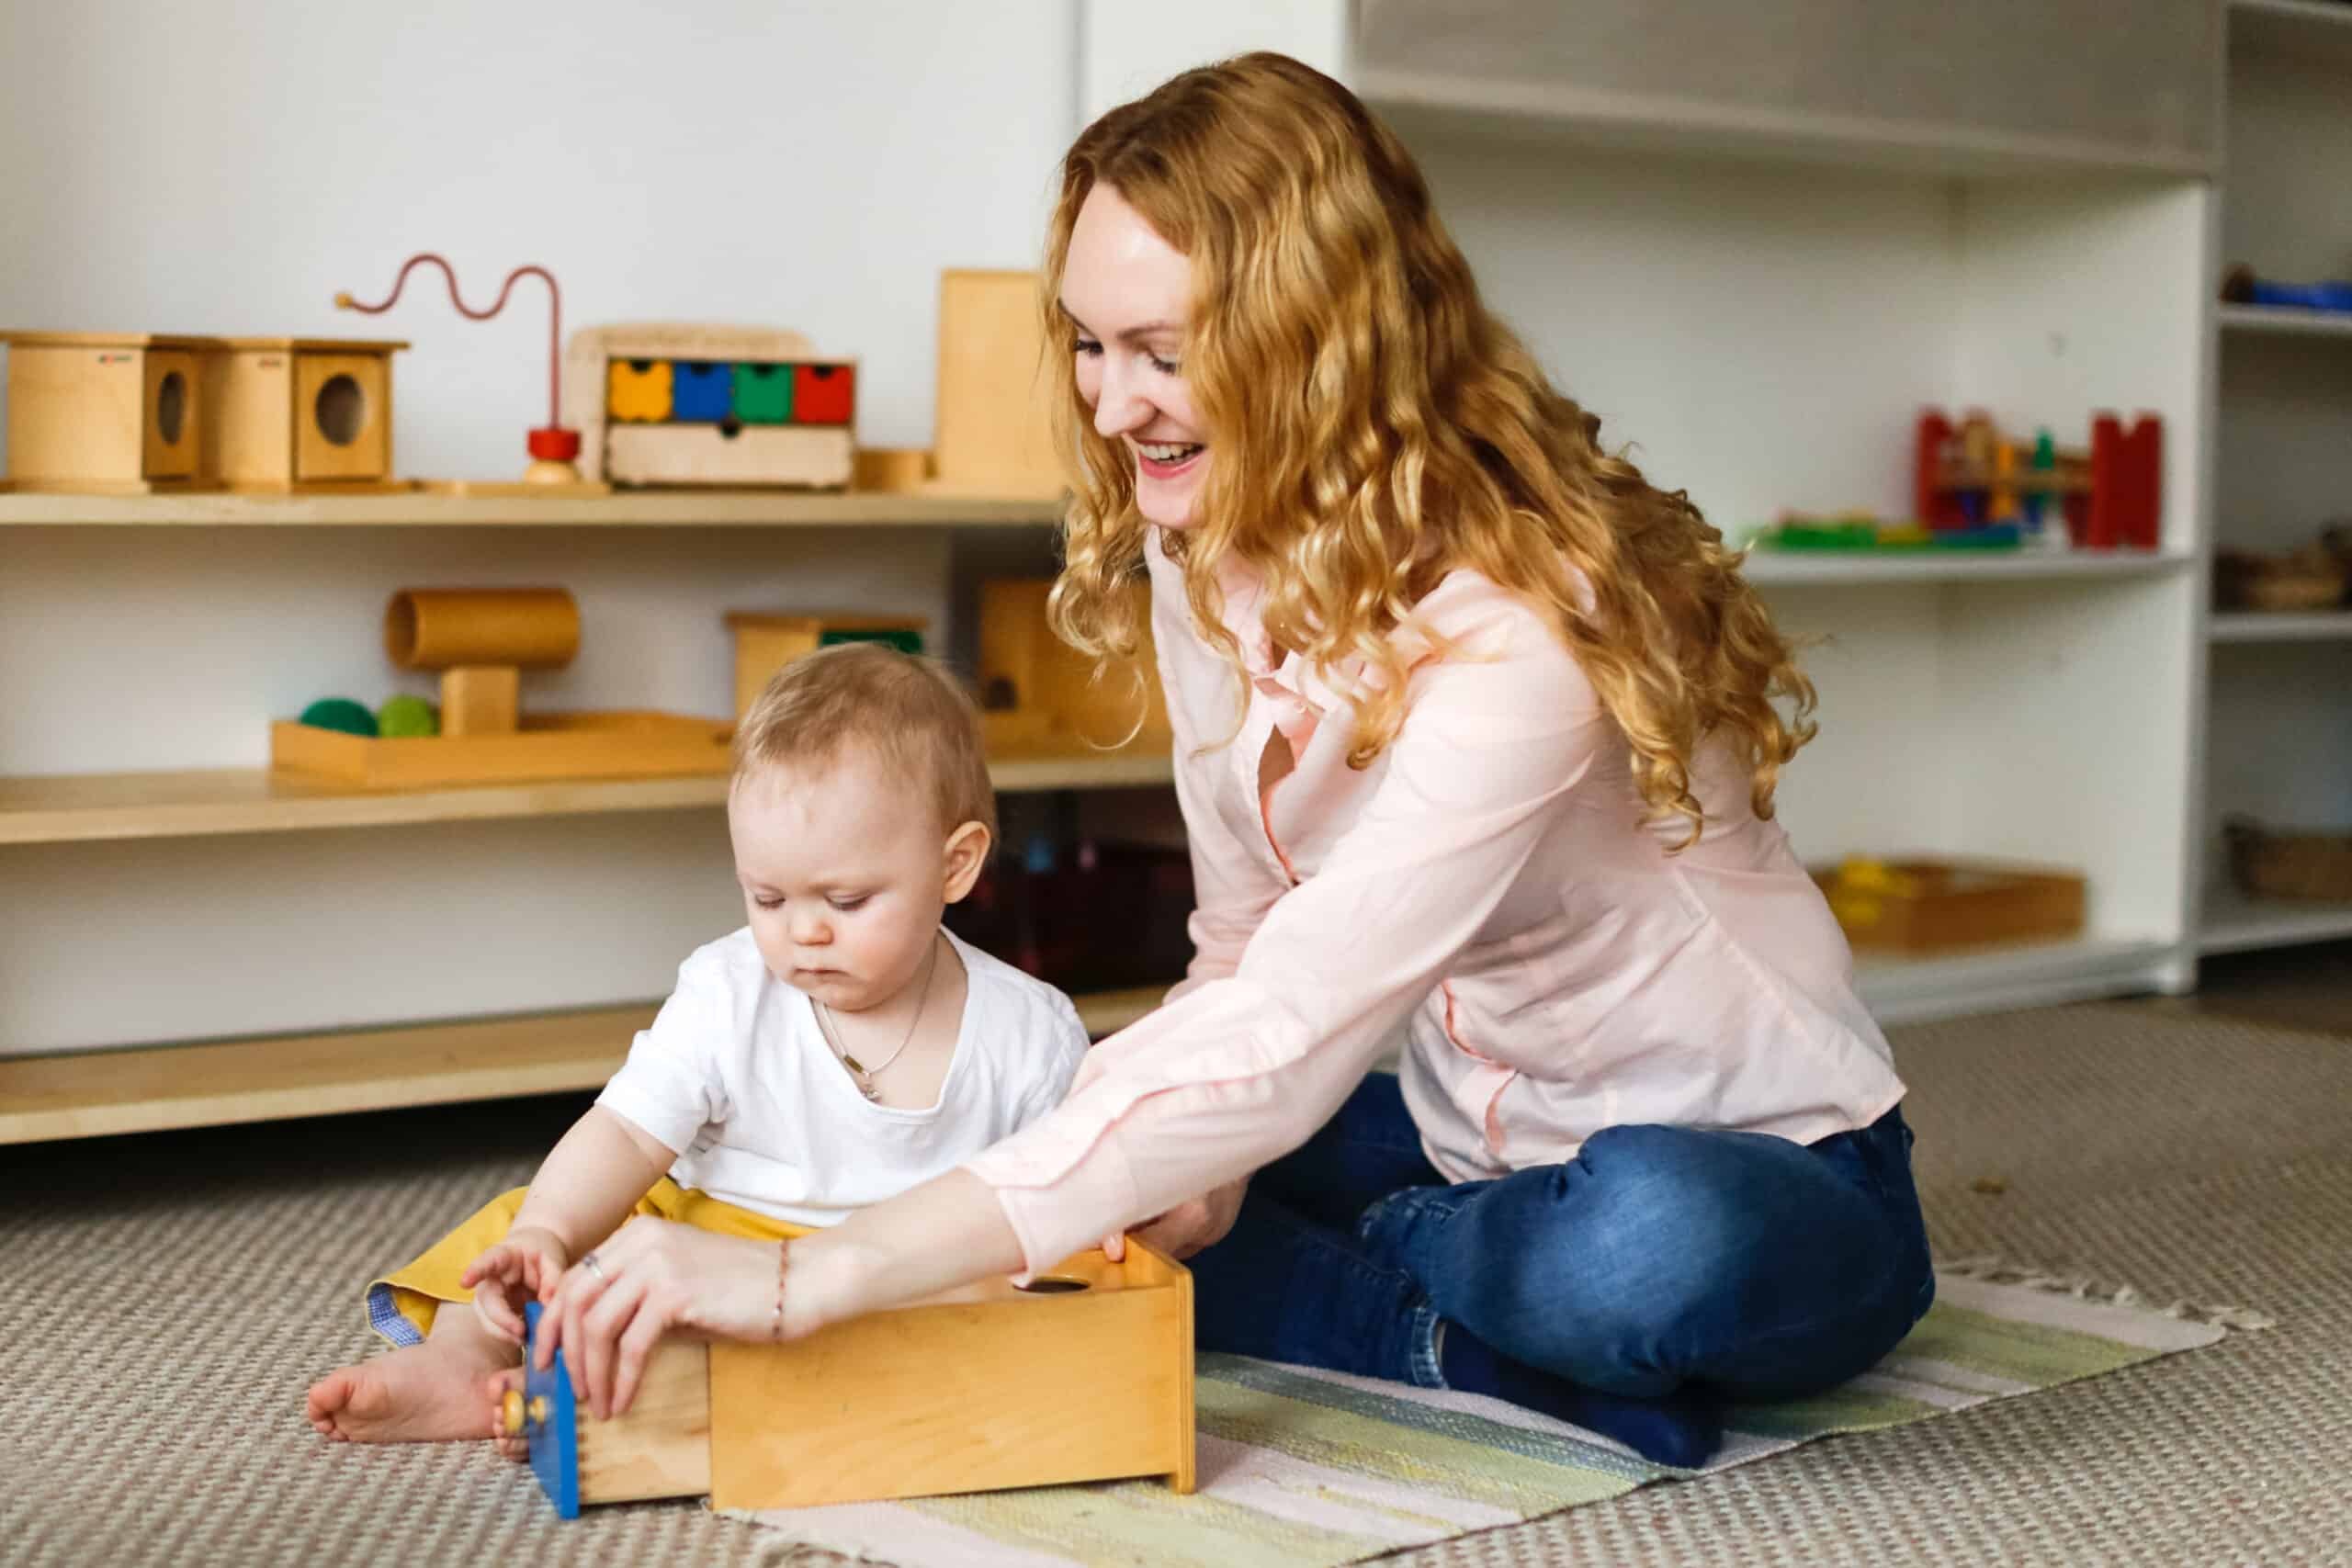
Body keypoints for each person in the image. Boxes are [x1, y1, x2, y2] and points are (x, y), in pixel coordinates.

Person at [524, 51, 1934, 1470]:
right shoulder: (1203, 556)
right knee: (1085, 1132)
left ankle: (1400, 1273)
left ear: (1315, 343)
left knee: (1639, 1241)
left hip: (1764, 1168)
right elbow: (1246, 946)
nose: (1110, 402)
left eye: (1162, 351)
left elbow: (1292, 1022)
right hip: (1473, 1146)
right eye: (1088, 343)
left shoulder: (1524, 627)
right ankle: (1449, 1333)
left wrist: (805, 1278)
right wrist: (1180, 1151)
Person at [304, 642, 1090, 1449]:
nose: (804, 930)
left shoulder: (1029, 1031)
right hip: (711, 1245)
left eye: (847, 899)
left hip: (907, 1275)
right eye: (768, 896)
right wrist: (546, 1230)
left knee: (1007, 1298)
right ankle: (466, 1361)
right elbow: (628, 1130)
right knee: (546, 1232)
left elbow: (1060, 1200)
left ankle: (600, 1376)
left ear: (956, 865)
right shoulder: (728, 989)